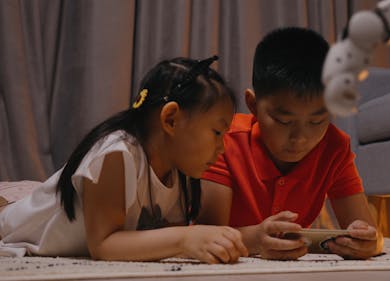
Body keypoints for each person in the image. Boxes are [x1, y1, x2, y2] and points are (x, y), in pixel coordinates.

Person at [0, 56, 248, 263]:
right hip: (11, 227)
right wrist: (185, 238)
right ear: (171, 119)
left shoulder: (180, 171)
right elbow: (104, 244)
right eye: (217, 133)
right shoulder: (116, 154)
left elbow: (155, 240)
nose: (223, 148)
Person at [198, 27, 384, 260]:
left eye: (317, 120)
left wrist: (367, 242)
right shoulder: (225, 140)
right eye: (283, 121)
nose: (301, 138)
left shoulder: (334, 147)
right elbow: (206, 234)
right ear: (253, 105)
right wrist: (256, 239)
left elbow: (370, 232)